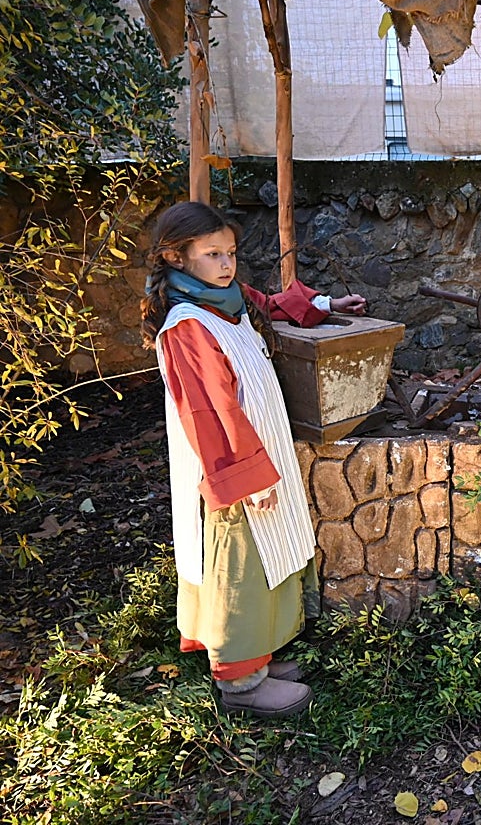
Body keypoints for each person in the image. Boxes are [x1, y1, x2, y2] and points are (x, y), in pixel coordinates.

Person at [140, 201, 367, 717]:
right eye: (212, 254)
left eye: (231, 252)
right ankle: (241, 683)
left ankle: (261, 654)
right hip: (230, 467)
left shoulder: (229, 300)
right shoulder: (187, 326)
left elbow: (270, 305)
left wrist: (327, 304)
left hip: (260, 453)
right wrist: (249, 477)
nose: (226, 264)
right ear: (176, 257)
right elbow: (210, 411)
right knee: (239, 566)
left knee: (270, 556)